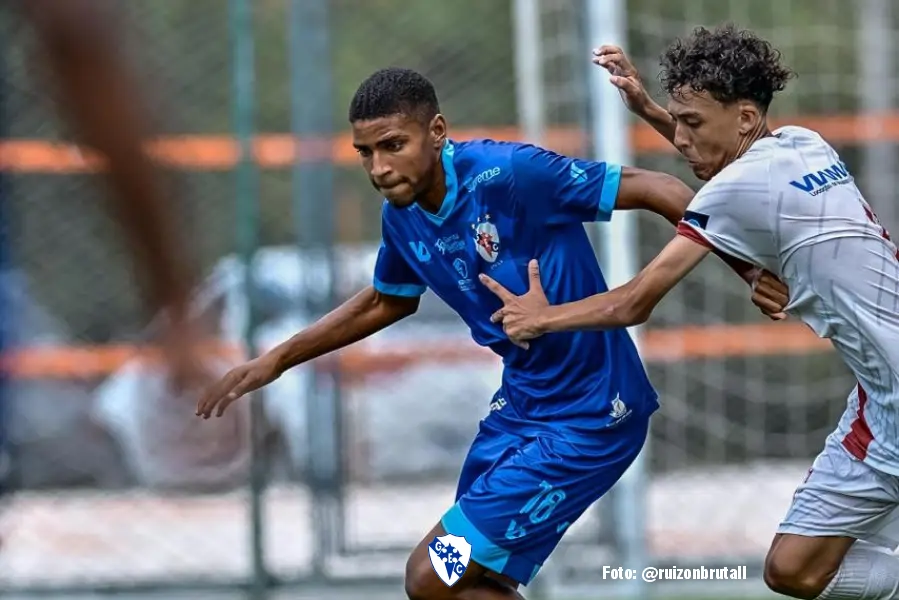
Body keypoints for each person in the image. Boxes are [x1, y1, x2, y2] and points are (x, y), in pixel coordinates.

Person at [195, 66, 788, 599]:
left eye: (393, 146)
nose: (379, 168)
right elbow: (385, 300)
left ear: (436, 131)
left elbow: (664, 190)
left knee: (431, 574)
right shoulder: (400, 216)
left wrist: (750, 271)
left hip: (590, 416)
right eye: (365, 152)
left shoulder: (512, 174)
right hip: (519, 413)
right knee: (470, 582)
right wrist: (275, 360)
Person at [482, 24, 899, 600]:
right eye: (675, 121)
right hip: (880, 403)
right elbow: (727, 173)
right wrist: (651, 109)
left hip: (579, 428)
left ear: (746, 119)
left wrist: (541, 319)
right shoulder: (804, 143)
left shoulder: (738, 186)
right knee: (796, 571)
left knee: (435, 576)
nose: (680, 137)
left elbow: (637, 297)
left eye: (692, 122)